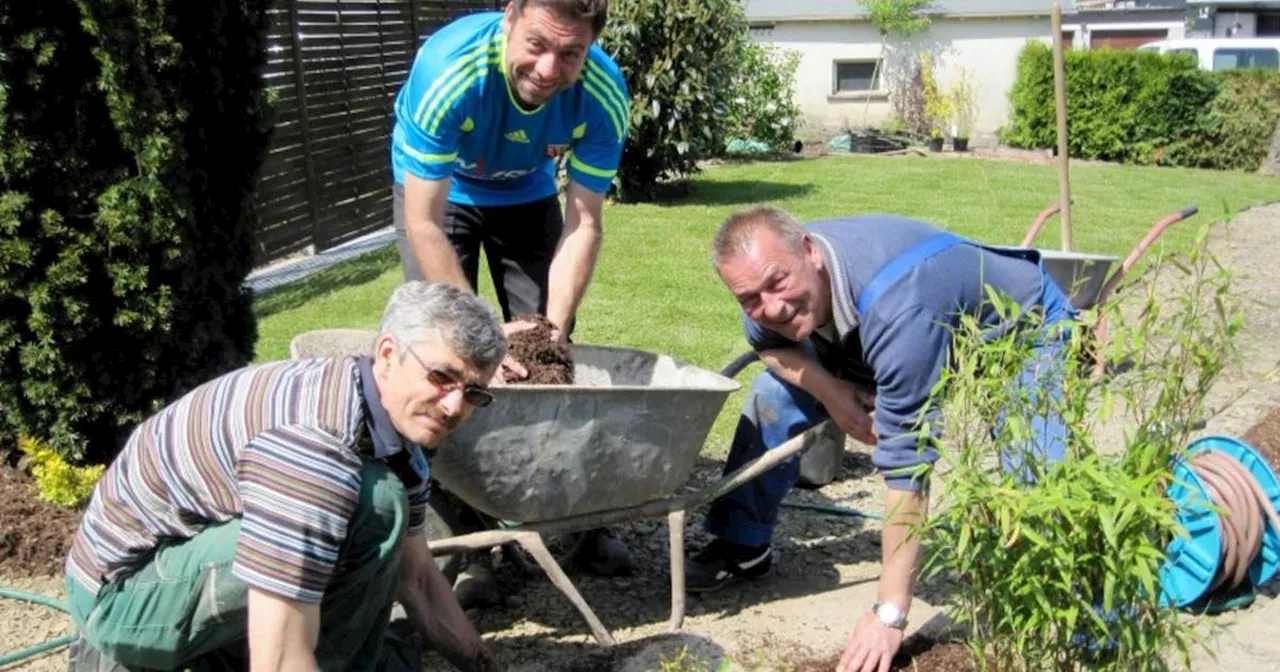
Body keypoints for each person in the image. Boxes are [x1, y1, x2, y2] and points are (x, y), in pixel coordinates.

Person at [687, 206, 1076, 672]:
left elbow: (908, 466)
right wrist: (831, 393)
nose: (771, 307)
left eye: (777, 284)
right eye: (750, 298)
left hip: (1017, 331)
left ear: (809, 251)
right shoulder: (767, 293)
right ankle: (742, 545)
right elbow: (770, 348)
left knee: (1035, 470)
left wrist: (889, 613)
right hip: (885, 335)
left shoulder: (900, 305)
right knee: (775, 393)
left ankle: (1092, 622)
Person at [64, 282, 508, 672]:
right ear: (388, 354)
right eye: (440, 377)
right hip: (123, 597)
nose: (454, 407)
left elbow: (421, 583)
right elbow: (278, 664)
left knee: (379, 504)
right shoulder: (313, 446)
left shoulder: (394, 435)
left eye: (473, 392)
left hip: (191, 558)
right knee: (373, 505)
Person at [388, 0, 635, 575]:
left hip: (525, 192)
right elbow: (423, 221)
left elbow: (585, 223)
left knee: (549, 359)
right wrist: (480, 340)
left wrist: (551, 330)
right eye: (536, 44)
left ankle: (576, 525)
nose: (549, 69)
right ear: (509, 20)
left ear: (591, 47)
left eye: (570, 53)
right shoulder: (450, 72)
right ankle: (465, 544)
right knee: (446, 362)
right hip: (439, 195)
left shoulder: (602, 92)